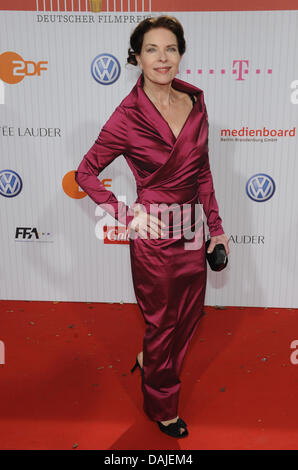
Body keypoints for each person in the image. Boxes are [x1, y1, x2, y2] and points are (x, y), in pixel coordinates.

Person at [75, 15, 229, 438]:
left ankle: (149, 359)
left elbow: (202, 172)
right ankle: (162, 405)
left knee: (190, 315)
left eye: (170, 49)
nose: (163, 58)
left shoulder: (196, 102)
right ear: (137, 57)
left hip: (192, 231)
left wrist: (215, 227)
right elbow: (85, 172)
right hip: (154, 237)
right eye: (152, 50)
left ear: (180, 54)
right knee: (162, 323)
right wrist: (127, 214)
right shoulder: (127, 116)